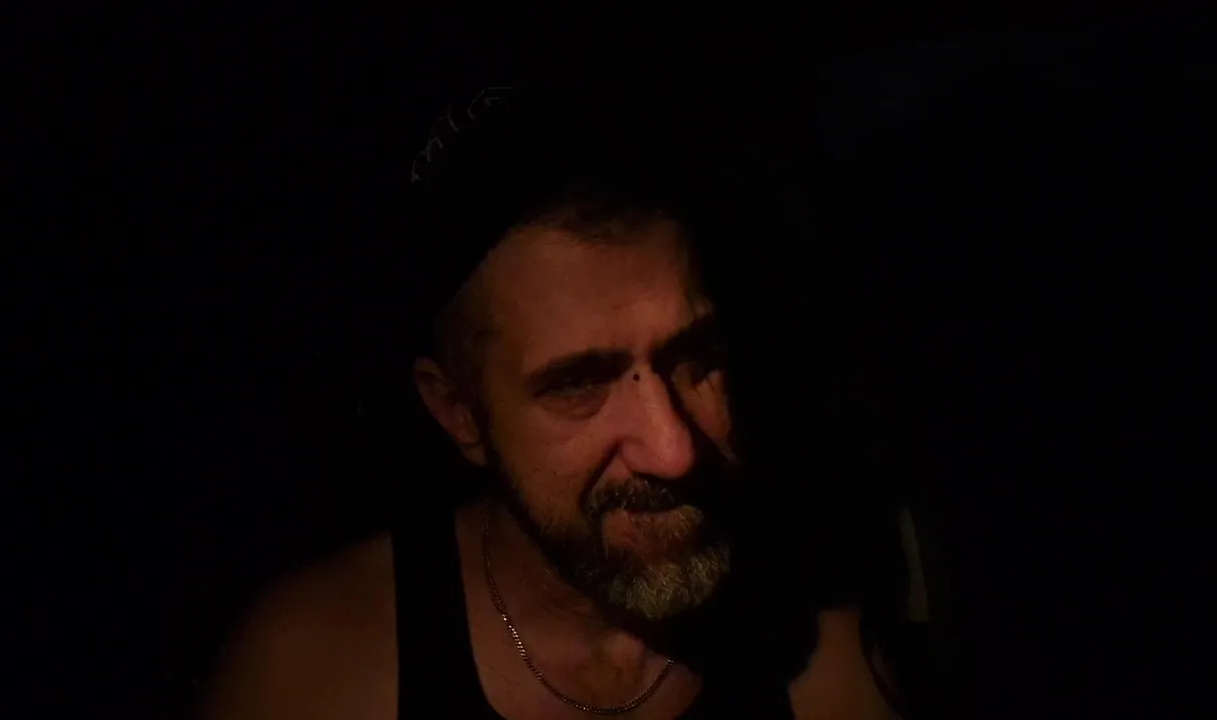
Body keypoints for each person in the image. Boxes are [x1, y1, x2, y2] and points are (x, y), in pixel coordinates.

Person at [200, 78, 902, 719]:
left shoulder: (818, 635)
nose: (674, 451)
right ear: (458, 412)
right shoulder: (317, 667)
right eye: (579, 384)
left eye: (696, 360)